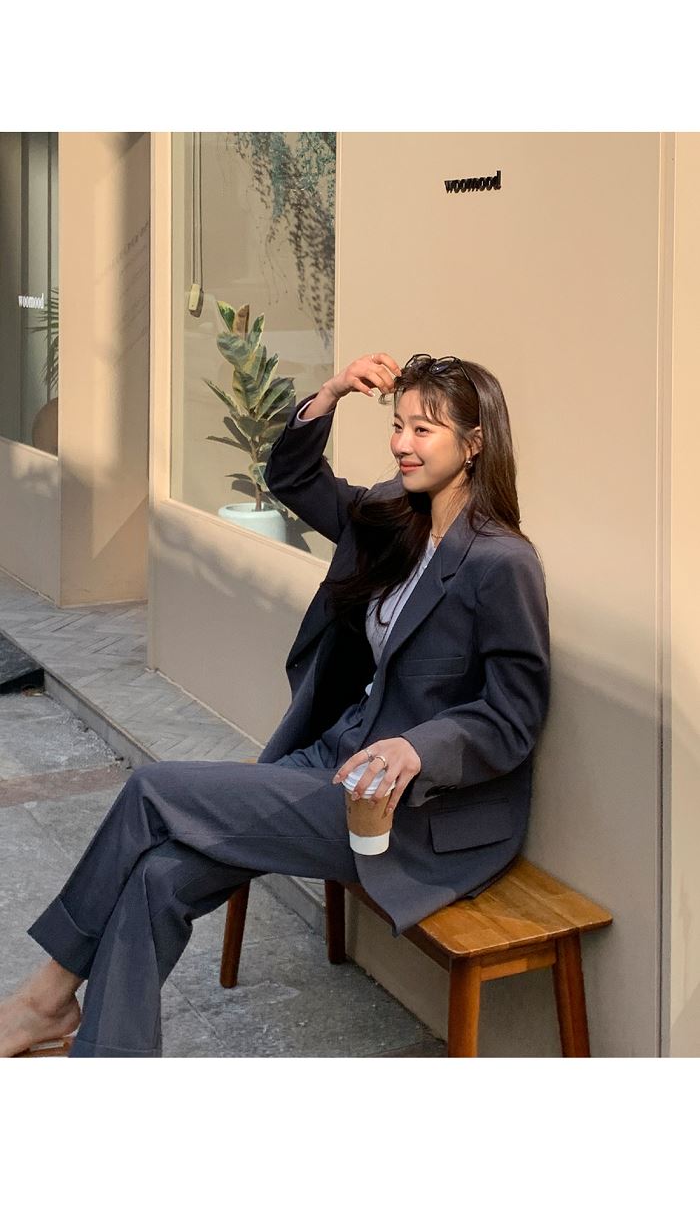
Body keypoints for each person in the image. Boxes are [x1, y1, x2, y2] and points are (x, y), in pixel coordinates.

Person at [0, 351, 550, 1058]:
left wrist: (420, 747)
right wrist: (331, 392)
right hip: (337, 758)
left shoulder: (502, 563)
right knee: (159, 877)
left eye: (424, 430)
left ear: (473, 444)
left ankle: (44, 1000)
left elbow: (513, 715)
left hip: (411, 813)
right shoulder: (395, 517)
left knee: (151, 791)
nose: (402, 443)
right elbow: (293, 479)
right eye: (398, 424)